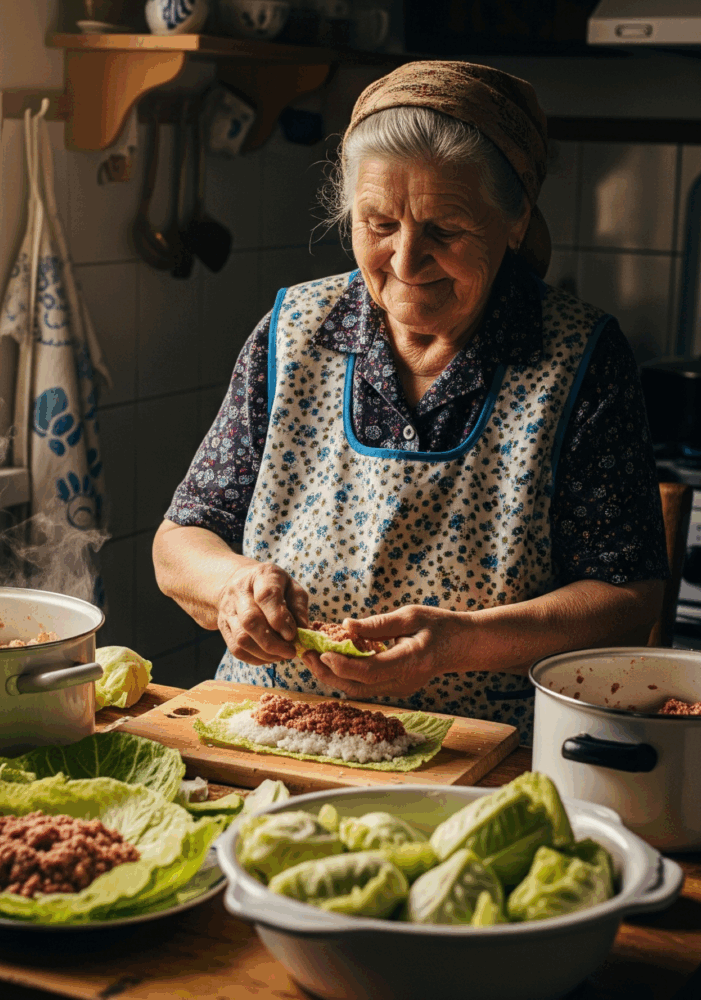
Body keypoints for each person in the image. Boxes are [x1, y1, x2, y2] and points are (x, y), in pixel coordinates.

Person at [152, 61, 668, 740]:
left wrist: (461, 643)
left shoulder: (579, 358)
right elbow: (180, 540)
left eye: (444, 230)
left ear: (514, 221)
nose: (403, 260)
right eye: (379, 223)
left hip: (481, 752)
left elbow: (628, 597)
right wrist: (233, 588)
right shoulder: (292, 333)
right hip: (268, 734)